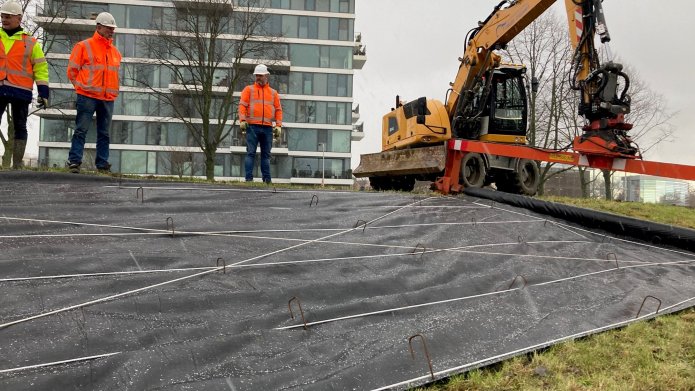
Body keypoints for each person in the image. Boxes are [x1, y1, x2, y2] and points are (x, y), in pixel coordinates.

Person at [66, 12, 121, 174]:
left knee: (104, 133)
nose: (112, 31)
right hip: (87, 96)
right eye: (109, 28)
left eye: (113, 28)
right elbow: (72, 71)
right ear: (98, 27)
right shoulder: (83, 46)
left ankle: (102, 164)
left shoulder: (115, 52)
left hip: (107, 98)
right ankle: (74, 162)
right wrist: (81, 88)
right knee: (81, 130)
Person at [0, 0, 49, 169]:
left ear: (19, 18)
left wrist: (44, 92)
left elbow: (41, 68)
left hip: (21, 90)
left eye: (8, 17)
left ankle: (18, 164)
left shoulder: (31, 42)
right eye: (2, 16)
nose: (4, 19)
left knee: (20, 126)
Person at [239, 64, 283, 183]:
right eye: (257, 75)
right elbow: (242, 106)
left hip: (268, 128)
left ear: (266, 76)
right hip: (252, 126)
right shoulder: (248, 90)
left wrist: (278, 126)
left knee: (266, 155)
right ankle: (249, 179)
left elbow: (278, 110)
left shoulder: (273, 93)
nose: (258, 77)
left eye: (260, 75)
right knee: (251, 153)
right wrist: (242, 120)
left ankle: (267, 180)